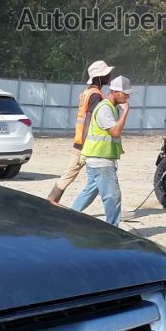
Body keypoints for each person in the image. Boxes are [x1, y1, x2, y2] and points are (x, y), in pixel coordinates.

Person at [69, 75, 132, 227]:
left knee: (88, 193)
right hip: (100, 161)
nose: (128, 97)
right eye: (126, 93)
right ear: (116, 92)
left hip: (97, 158)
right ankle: (112, 230)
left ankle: (68, 218)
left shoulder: (111, 108)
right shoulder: (105, 108)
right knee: (113, 196)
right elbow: (115, 132)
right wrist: (125, 112)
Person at [47, 60, 113, 204]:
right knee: (70, 174)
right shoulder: (95, 95)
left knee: (81, 176)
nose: (109, 75)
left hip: (81, 141)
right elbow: (89, 120)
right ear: (99, 77)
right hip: (85, 144)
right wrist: (85, 147)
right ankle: (50, 201)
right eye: (106, 74)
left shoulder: (87, 92)